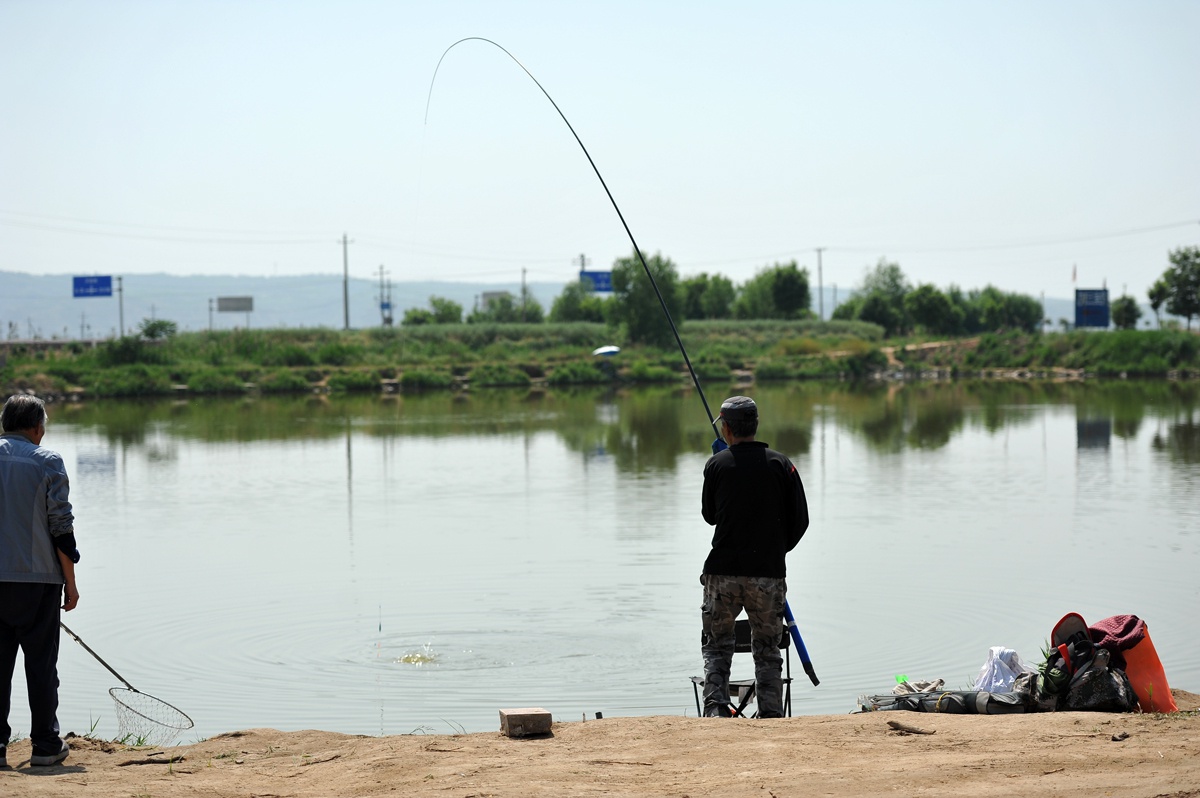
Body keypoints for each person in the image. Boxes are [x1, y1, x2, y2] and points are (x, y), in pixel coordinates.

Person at [699, 395, 808, 718]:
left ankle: (716, 710)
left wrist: (722, 466)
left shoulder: (716, 465)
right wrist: (775, 551)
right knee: (767, 649)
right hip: (768, 573)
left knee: (717, 645)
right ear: (756, 424)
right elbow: (800, 521)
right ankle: (772, 714)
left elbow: (709, 516)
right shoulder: (781, 464)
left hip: (723, 574)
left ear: (727, 428)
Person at [1, 395, 80, 768]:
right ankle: (46, 745)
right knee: (41, 664)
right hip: (37, 582)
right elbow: (61, 528)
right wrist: (71, 583)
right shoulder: (47, 462)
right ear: (36, 428)